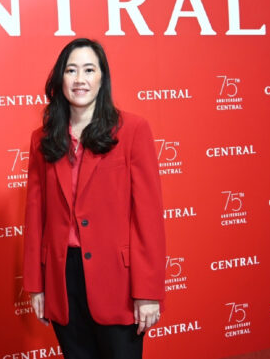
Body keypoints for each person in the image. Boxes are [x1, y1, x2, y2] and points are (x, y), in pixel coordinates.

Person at [23, 38, 166, 359]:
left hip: (119, 281)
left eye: (89, 70)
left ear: (102, 78)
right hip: (63, 279)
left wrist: (148, 292)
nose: (80, 79)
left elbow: (148, 218)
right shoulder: (42, 140)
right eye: (71, 70)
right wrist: (36, 284)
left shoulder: (132, 130)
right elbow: (35, 216)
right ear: (60, 78)